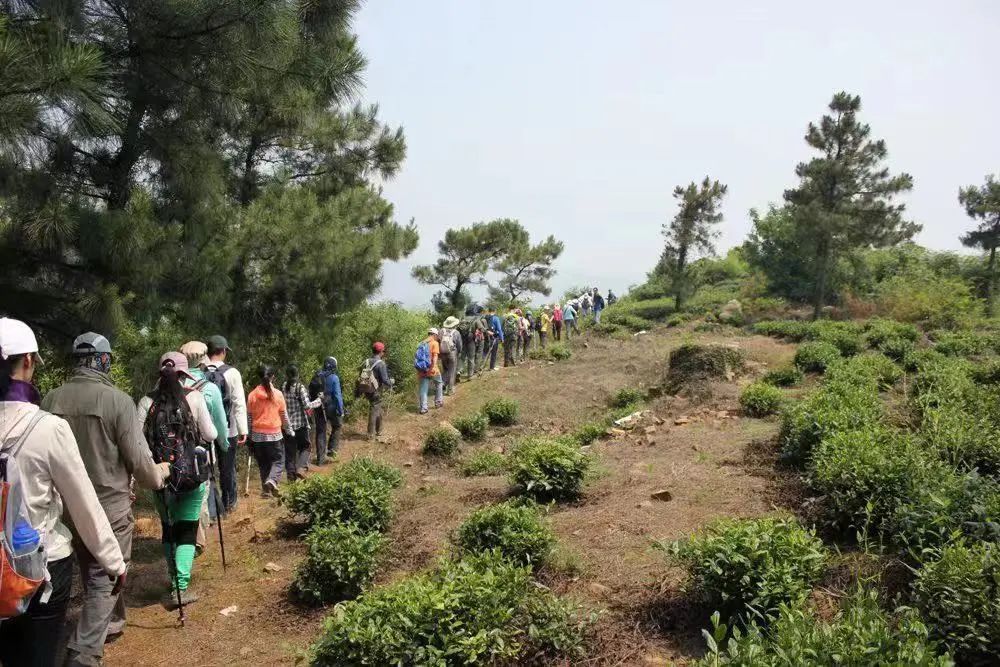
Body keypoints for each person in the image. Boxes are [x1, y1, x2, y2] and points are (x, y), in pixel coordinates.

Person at [0, 319, 126, 666]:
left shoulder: (52, 409)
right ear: (28, 361)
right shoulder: (47, 427)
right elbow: (83, 503)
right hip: (40, 567)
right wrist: (114, 562)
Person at [41, 332, 169, 666]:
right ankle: (84, 653)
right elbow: (141, 466)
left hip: (63, 510)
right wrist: (161, 474)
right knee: (105, 577)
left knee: (91, 565)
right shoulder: (117, 401)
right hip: (107, 508)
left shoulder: (51, 400)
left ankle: (112, 620)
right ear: (104, 360)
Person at [137, 351, 217, 608]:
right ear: (184, 374)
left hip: (159, 475)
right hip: (191, 474)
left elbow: (138, 442)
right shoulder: (193, 397)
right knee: (187, 528)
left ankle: (174, 579)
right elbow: (210, 433)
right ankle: (179, 587)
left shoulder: (146, 402)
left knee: (169, 527)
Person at [179, 340, 228, 556]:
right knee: (201, 494)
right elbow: (219, 425)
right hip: (200, 453)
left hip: (172, 452)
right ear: (203, 361)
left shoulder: (164, 388)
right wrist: (224, 444)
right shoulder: (209, 389)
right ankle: (197, 539)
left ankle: (180, 536)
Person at [203, 335, 247, 516]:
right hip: (229, 430)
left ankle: (213, 508)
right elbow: (238, 403)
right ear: (223, 351)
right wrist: (243, 429)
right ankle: (229, 503)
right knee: (227, 468)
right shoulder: (232, 373)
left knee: (208, 469)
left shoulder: (200, 371)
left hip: (205, 430)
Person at [246, 365, 291, 496]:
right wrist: (289, 430)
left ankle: (266, 491)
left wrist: (249, 435)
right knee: (278, 461)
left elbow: (249, 417)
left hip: (257, 436)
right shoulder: (277, 394)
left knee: (263, 463)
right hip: (274, 435)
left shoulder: (252, 395)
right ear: (273, 377)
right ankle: (272, 480)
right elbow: (284, 415)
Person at [283, 365, 318, 481]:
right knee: (306, 447)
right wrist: (318, 401)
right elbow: (307, 405)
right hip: (300, 424)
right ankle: (301, 468)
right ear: (297, 374)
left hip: (287, 425)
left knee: (290, 453)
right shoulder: (299, 387)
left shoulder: (283, 386)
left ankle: (290, 477)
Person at [357, 342, 394, 439]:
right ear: (381, 352)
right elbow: (385, 380)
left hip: (366, 389)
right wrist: (391, 382)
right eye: (383, 351)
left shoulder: (366, 361)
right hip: (375, 391)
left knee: (378, 408)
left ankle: (379, 430)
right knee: (374, 409)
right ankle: (370, 434)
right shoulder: (381, 364)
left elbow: (360, 374)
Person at [320, 357, 345, 462]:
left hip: (319, 406)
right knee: (337, 426)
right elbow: (337, 395)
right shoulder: (334, 378)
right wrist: (341, 410)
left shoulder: (318, 375)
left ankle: (320, 454)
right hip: (331, 406)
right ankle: (332, 451)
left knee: (321, 431)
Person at [417, 328, 443, 413]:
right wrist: (431, 369)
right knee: (439, 383)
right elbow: (435, 358)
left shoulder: (421, 343)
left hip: (422, 369)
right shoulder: (435, 343)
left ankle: (423, 408)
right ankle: (438, 402)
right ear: (434, 335)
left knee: (423, 389)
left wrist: (424, 370)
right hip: (432, 370)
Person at [459, 306, 483, 380]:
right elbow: (481, 329)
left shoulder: (462, 319)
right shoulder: (476, 319)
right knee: (471, 358)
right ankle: (470, 375)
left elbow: (458, 329)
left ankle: (458, 371)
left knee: (462, 357)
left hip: (462, 340)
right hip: (471, 340)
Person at [440, 316, 462, 395]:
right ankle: (450, 390)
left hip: (443, 354)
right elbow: (459, 345)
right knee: (452, 371)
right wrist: (459, 352)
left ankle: (442, 384)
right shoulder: (456, 332)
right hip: (452, 353)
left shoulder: (441, 331)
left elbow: (439, 341)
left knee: (445, 370)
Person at [486, 307, 504, 371]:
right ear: (494, 311)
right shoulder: (496, 318)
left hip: (485, 338)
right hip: (493, 337)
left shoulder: (485, 317)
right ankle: (491, 367)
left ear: (488, 310)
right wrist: (502, 338)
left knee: (484, 353)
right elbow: (499, 329)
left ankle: (480, 367)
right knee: (493, 353)